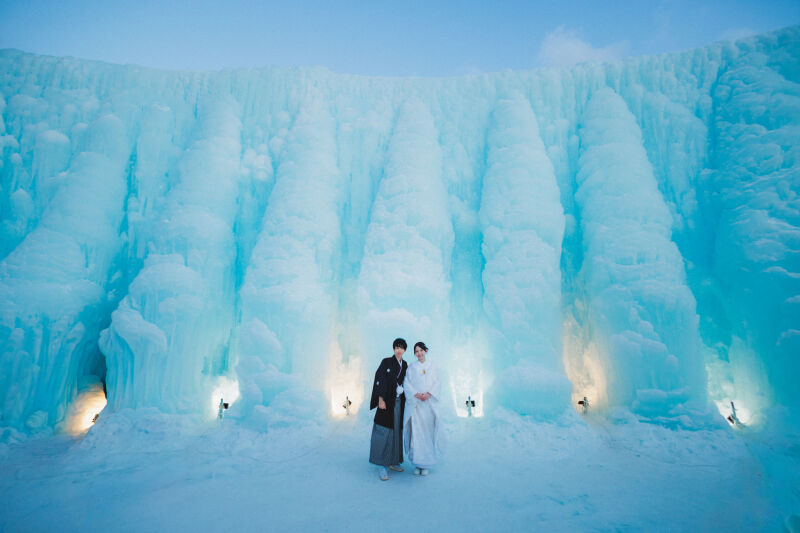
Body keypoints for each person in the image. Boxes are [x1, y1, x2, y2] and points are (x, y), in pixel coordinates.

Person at [368, 338, 408, 480]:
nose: (399, 350)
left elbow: (408, 382)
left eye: (401, 348)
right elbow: (380, 379)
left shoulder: (405, 365)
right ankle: (382, 465)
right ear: (393, 349)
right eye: (397, 347)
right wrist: (380, 399)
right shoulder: (386, 362)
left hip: (398, 403)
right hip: (386, 402)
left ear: (404, 350)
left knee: (396, 431)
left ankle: (393, 461)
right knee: (383, 432)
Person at [403, 341, 441, 476]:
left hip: (428, 405)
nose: (419, 353)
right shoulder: (411, 367)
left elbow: (437, 382)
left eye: (421, 350)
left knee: (427, 433)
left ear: (425, 351)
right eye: (416, 351)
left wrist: (429, 394)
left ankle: (426, 463)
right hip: (417, 405)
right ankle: (417, 463)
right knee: (417, 434)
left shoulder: (433, 366)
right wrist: (416, 394)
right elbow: (406, 383)